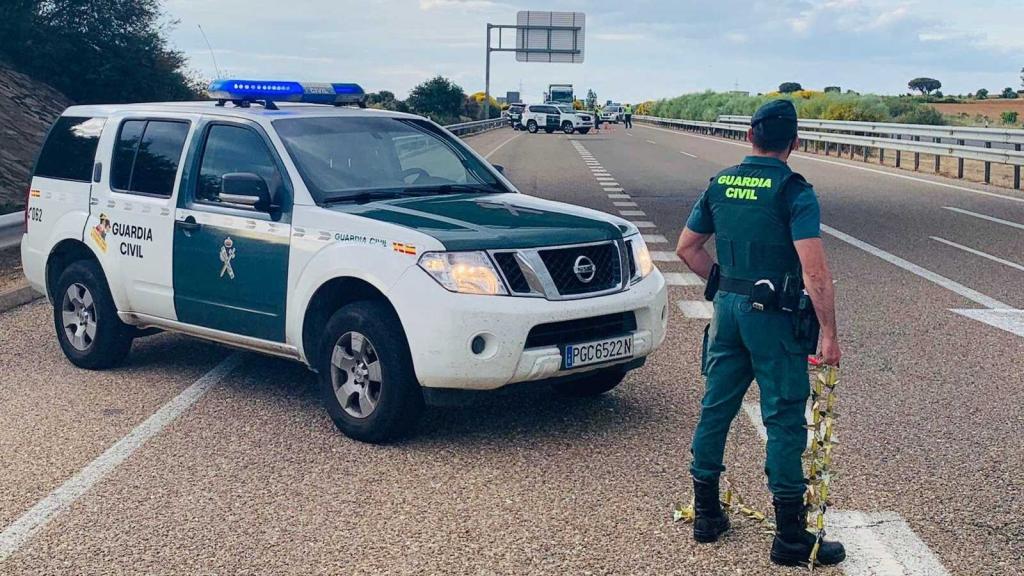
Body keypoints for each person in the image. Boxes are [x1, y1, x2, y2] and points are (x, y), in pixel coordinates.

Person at [675, 99, 845, 567]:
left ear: (750, 136)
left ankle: (707, 514)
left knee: (716, 407)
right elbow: (815, 272)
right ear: (795, 142)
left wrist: (725, 284)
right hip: (774, 320)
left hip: (727, 312)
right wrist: (829, 334)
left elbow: (688, 248)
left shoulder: (720, 183)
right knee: (784, 418)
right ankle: (789, 537)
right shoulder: (794, 191)